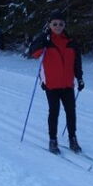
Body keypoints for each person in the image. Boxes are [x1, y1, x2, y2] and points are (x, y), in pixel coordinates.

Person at [29, 10, 85, 154]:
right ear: (49, 25)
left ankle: (73, 139)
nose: (58, 26)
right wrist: (42, 39)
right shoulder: (46, 41)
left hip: (67, 84)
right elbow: (33, 54)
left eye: (61, 24)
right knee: (54, 112)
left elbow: (77, 62)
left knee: (71, 113)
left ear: (64, 25)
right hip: (52, 85)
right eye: (55, 24)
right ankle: (52, 140)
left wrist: (79, 78)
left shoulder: (71, 42)